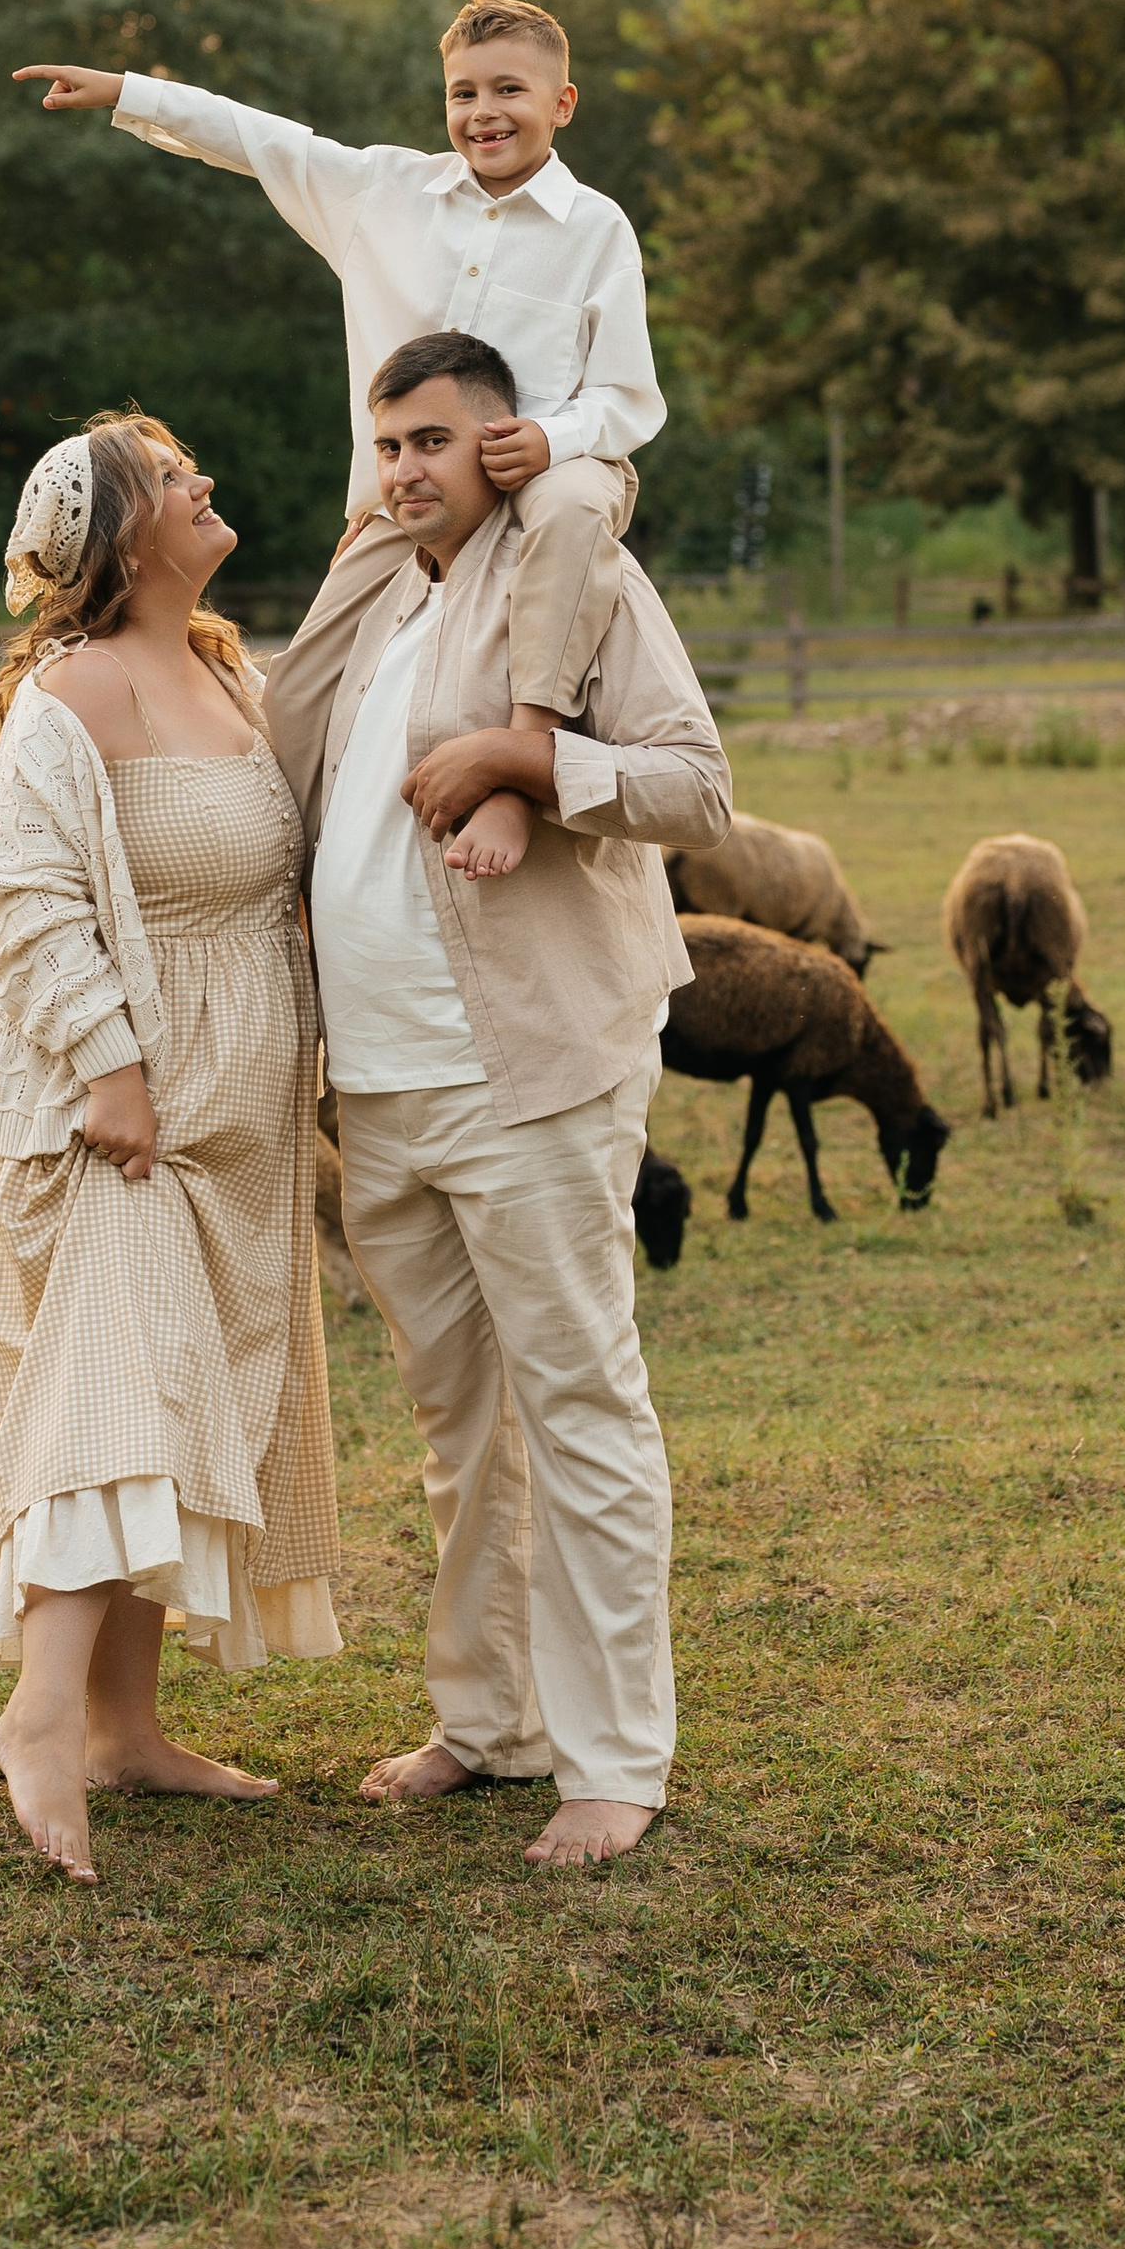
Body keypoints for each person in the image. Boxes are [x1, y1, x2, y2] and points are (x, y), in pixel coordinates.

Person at [264, 329, 732, 1868]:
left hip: (523, 1070)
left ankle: (616, 1762)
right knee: (461, 1424)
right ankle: (493, 1722)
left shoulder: (572, 571)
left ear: (502, 442)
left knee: (580, 1404)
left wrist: (531, 768)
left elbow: (691, 785)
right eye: (386, 443)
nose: (405, 468)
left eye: (433, 442)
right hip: (381, 1087)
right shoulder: (383, 596)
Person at [0, 410, 341, 1884]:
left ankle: (128, 1730)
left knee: (187, 1393)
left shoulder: (229, 669)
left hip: (232, 1106)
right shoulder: (72, 694)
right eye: (177, 481)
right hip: (108, 1106)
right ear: (120, 534)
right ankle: (39, 1721)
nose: (205, 485)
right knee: (117, 1386)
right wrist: (113, 1069)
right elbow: (30, 899)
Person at [14, 0, 660, 880]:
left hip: (543, 477)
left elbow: (629, 393)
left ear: (562, 103)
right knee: (301, 692)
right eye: (462, 94)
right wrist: (128, 91)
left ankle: (521, 755)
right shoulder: (383, 193)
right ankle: (304, 888)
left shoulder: (596, 229)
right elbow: (262, 138)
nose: (483, 113)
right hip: (408, 502)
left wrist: (553, 438)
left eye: (509, 90)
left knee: (577, 501)